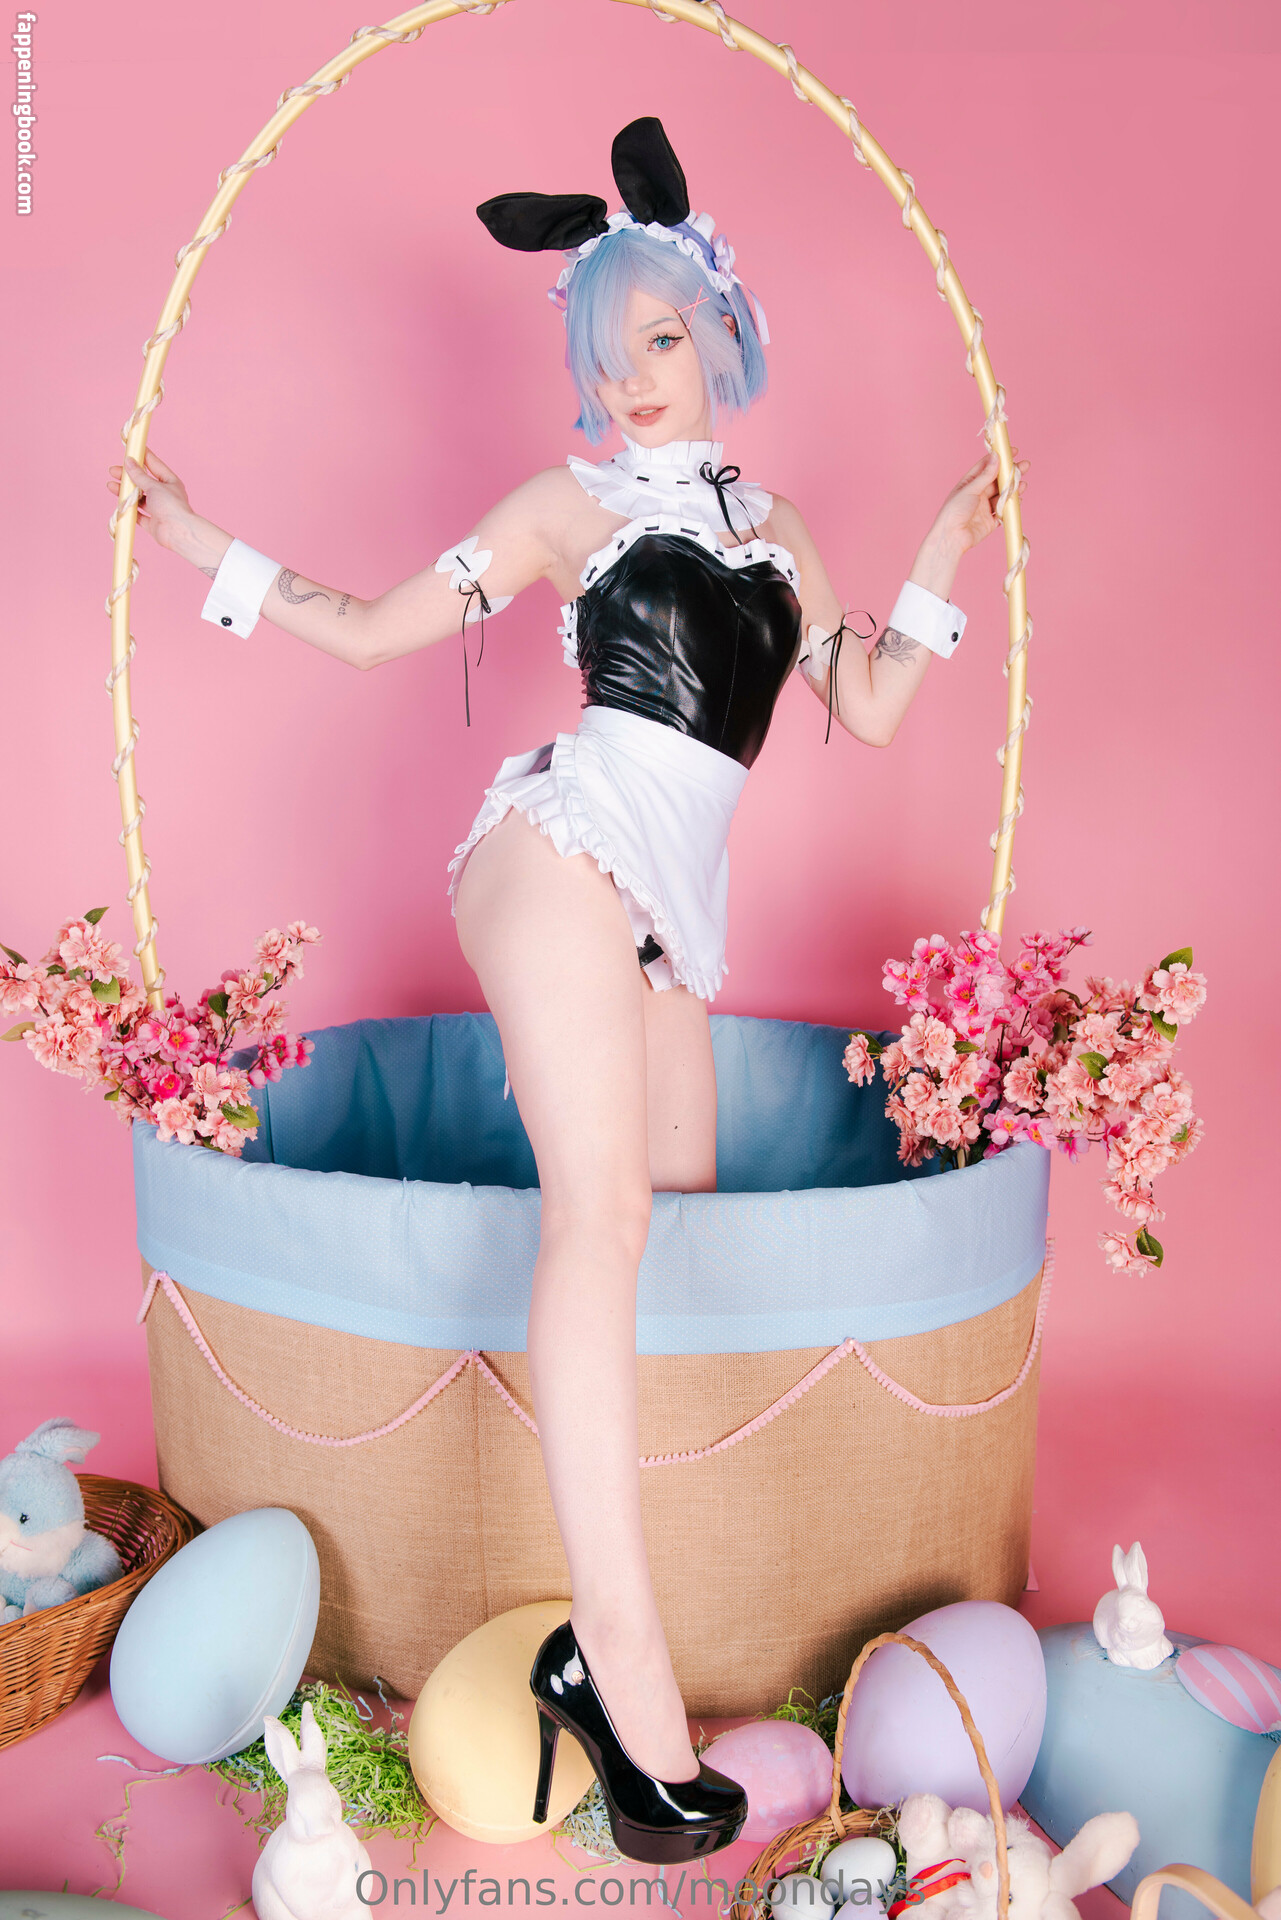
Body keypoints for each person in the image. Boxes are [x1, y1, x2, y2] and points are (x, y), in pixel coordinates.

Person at [109, 117, 1023, 1864]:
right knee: (598, 1221)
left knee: (668, 1208)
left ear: (720, 330)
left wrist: (945, 551)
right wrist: (200, 544)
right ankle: (624, 1671)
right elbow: (371, 626)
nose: (632, 382)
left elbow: (868, 701)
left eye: (660, 338)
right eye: (606, 357)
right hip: (563, 844)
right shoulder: (568, 508)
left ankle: (628, 1602)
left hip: (673, 896)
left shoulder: (776, 529)